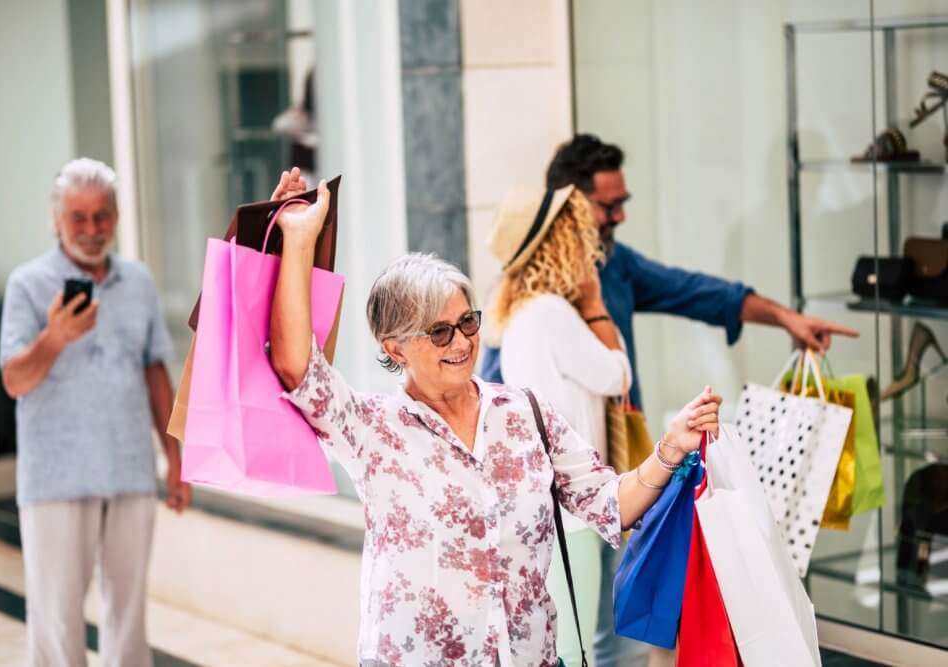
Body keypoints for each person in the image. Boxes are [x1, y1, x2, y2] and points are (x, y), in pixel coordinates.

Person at [268, 178, 722, 666]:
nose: (461, 342)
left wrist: (670, 449)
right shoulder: (374, 428)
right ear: (394, 347)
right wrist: (297, 239)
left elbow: (611, 504)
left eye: (468, 322)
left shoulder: (525, 414)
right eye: (440, 332)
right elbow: (299, 368)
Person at [480, 134, 859, 667]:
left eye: (622, 204)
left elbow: (696, 291)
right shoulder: (530, 300)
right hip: (568, 499)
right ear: (566, 210)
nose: (618, 218)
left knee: (615, 627)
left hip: (626, 481)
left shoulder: (610, 266)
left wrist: (786, 319)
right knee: (583, 637)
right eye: (608, 206)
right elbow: (494, 402)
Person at [0, 158, 190, 666]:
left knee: (127, 615)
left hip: (129, 469)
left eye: (101, 215)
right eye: (78, 217)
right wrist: (55, 337)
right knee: (57, 618)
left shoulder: (139, 281)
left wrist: (175, 458)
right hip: (55, 477)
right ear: (56, 220)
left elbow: (155, 371)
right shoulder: (28, 284)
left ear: (117, 216)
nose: (91, 229)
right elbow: (15, 378)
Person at [487, 184, 633, 665]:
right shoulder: (553, 312)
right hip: (572, 513)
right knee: (574, 650)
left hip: (544, 511)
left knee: (558, 648)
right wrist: (593, 303)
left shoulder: (518, 316)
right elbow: (617, 374)